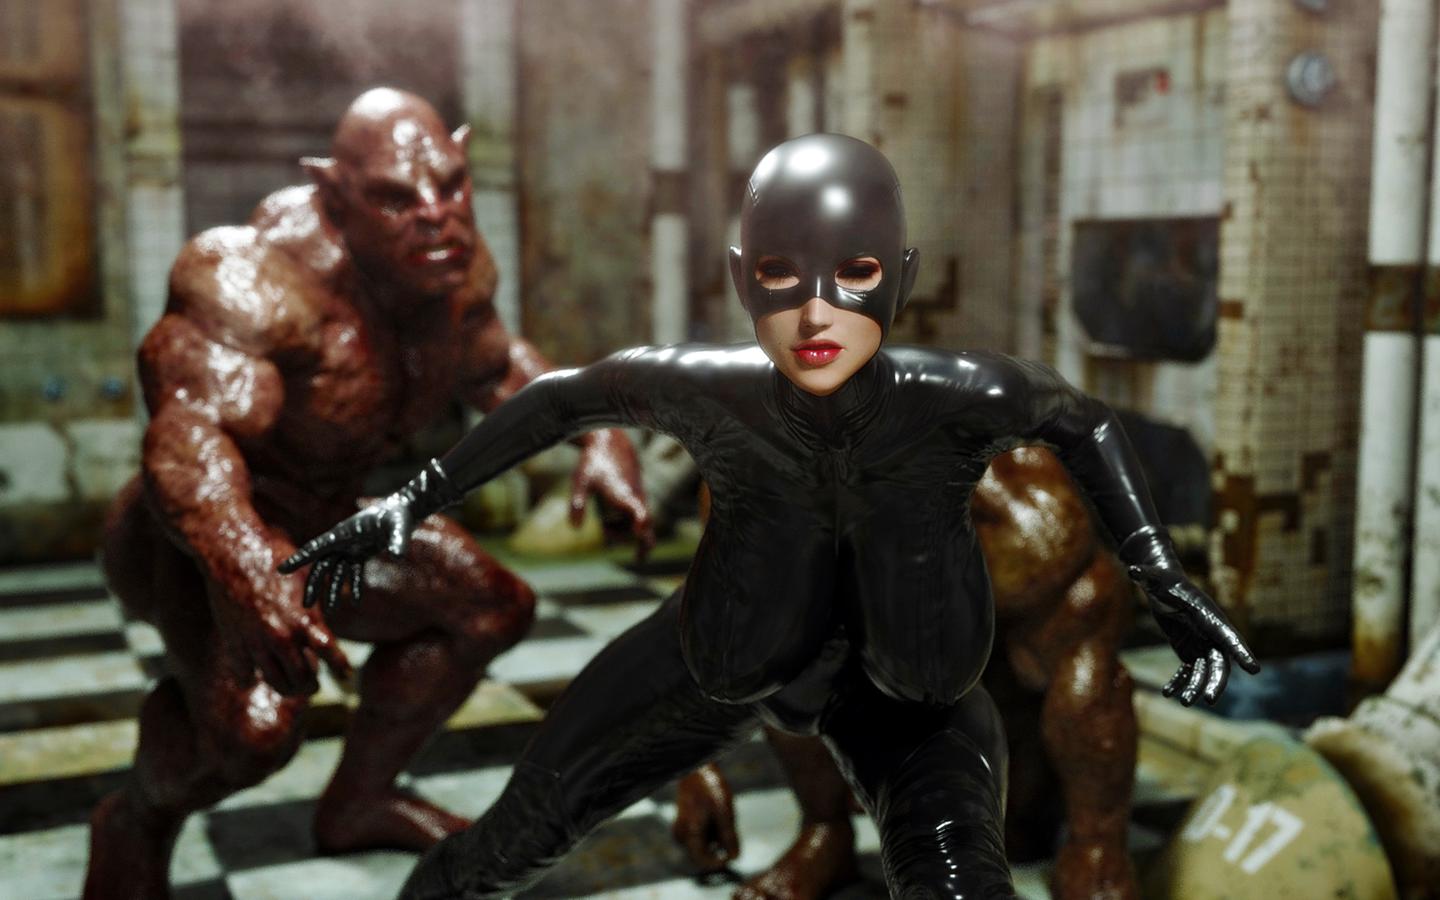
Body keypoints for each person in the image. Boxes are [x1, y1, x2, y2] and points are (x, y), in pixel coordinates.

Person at [283, 133, 1256, 899]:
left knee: (961, 884)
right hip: (714, 664)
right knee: (506, 845)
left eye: (855, 274)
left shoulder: (957, 398)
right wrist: (410, 502)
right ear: (745, 275)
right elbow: (559, 401)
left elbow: (1082, 421)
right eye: (785, 276)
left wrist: (1158, 573)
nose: (817, 313)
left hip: (903, 705)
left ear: (901, 273)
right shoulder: (713, 390)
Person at [84, 87, 650, 899]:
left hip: (327, 525)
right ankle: (135, 821)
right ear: (335, 195)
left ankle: (358, 801)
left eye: (449, 184)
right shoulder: (253, 277)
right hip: (197, 540)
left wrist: (600, 434)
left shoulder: (447, 269)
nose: (436, 215)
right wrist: (246, 566)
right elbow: (189, 438)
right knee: (252, 735)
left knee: (489, 607)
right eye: (396, 197)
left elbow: (499, 368)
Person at [673, 447, 1142, 900]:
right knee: (790, 646)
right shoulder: (759, 478)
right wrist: (693, 765)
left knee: (1021, 826)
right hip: (895, 701)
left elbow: (1085, 651)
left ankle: (1095, 849)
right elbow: (725, 621)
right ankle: (824, 831)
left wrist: (1095, 838)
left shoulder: (1017, 504)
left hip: (1006, 724)